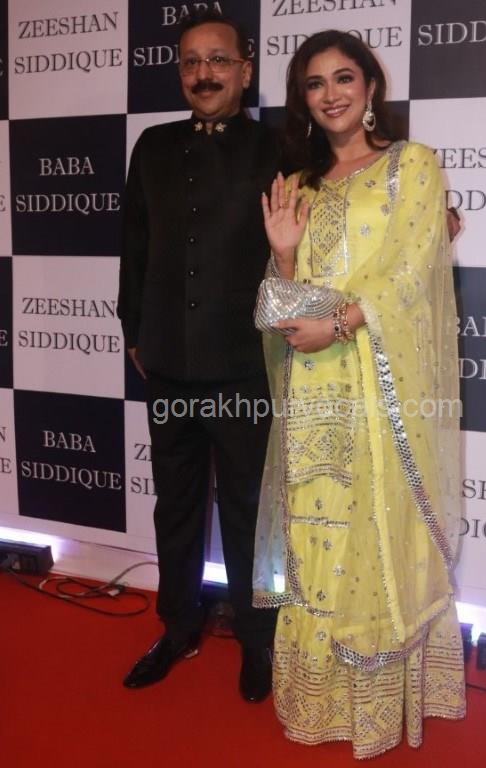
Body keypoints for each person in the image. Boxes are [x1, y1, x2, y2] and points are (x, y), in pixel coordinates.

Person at [253, 30, 466, 757]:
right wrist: (283, 255)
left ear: (371, 87)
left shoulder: (412, 166)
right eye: (315, 83)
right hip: (316, 394)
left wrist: (340, 322)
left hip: (382, 395)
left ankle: (375, 705)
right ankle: (322, 703)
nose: (332, 94)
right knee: (319, 538)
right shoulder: (299, 185)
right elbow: (280, 313)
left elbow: (410, 272)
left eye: (345, 78)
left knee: (376, 534)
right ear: (303, 100)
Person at [117, 11, 277, 700]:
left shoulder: (279, 147)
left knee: (248, 511)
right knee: (175, 507)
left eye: (217, 60)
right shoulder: (152, 145)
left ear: (245, 69)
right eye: (190, 61)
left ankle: (258, 639)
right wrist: (133, 330)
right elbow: (134, 246)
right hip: (168, 366)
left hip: (244, 368)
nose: (203, 74)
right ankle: (179, 626)